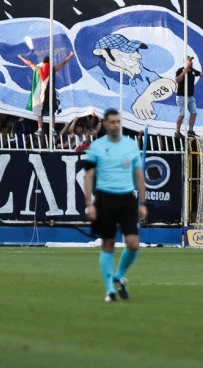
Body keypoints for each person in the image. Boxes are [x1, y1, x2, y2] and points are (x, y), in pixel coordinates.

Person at [82, 108, 146, 303]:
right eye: (112, 122)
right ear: (105, 123)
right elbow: (89, 176)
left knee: (133, 244)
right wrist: (89, 203)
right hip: (105, 199)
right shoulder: (97, 147)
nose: (116, 125)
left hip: (126, 198)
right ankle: (110, 290)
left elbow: (138, 174)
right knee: (107, 243)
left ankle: (118, 276)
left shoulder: (130, 145)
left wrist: (142, 203)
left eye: (118, 122)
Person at [19, 51, 75, 135]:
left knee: (39, 113)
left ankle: (40, 128)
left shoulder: (38, 69)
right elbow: (63, 63)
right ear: (50, 62)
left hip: (40, 95)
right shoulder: (52, 69)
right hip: (50, 95)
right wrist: (70, 55)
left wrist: (21, 57)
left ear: (43, 62)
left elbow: (30, 63)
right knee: (52, 113)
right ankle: (52, 129)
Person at [173, 56, 203, 137]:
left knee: (194, 112)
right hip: (182, 96)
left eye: (191, 61)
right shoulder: (180, 70)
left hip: (190, 96)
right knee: (182, 114)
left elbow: (200, 73)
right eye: (189, 61)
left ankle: (190, 130)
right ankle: (177, 132)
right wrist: (184, 72)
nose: (191, 62)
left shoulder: (192, 70)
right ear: (185, 62)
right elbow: (177, 80)